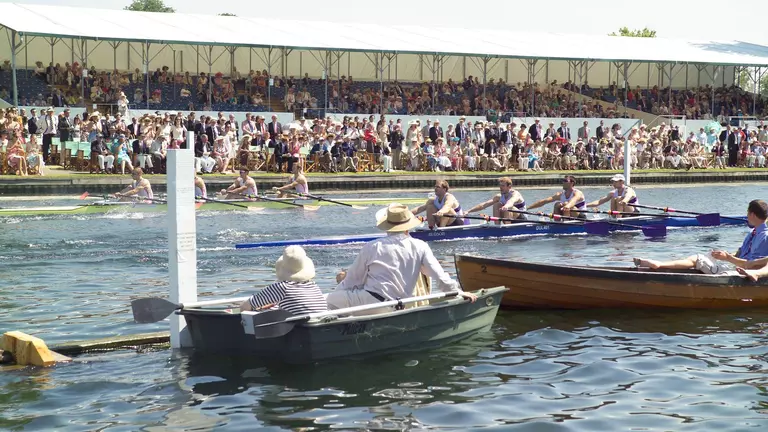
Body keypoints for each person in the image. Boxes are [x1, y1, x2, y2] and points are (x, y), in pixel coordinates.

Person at [326, 203, 477, 314]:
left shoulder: (372, 247)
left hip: (372, 302)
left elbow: (352, 281)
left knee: (327, 300)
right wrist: (458, 292)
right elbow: (441, 278)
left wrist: (336, 293)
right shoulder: (420, 246)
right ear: (408, 226)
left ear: (387, 226)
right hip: (402, 305)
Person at [634, 200, 768, 275]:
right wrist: (723, 255)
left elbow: (748, 262)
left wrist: (728, 258)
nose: (747, 216)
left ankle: (660, 265)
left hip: (743, 272)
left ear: (752, 215)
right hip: (736, 265)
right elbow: (740, 253)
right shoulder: (752, 233)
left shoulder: (765, 236)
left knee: (698, 259)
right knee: (699, 257)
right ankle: (661, 265)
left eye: (747, 213)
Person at [240, 245, 327, 314]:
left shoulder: (282, 287)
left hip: (295, 332)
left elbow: (246, 306)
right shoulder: (313, 286)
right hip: (314, 327)